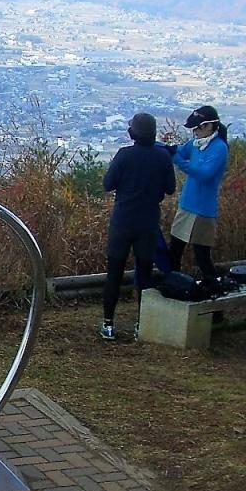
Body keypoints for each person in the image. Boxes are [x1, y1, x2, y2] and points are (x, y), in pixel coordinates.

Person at [100, 112, 176, 341]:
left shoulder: (125, 155)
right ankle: (141, 323)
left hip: (123, 221)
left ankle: (108, 323)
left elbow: (107, 184)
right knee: (144, 275)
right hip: (148, 222)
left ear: (133, 133)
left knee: (114, 273)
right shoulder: (162, 157)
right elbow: (170, 188)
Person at [166, 105, 229, 291]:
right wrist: (167, 149)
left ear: (209, 126)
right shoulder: (196, 144)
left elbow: (204, 174)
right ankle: (174, 287)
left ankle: (214, 292)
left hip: (203, 210)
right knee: (174, 251)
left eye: (198, 127)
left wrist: (178, 160)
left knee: (202, 255)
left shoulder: (219, 148)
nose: (194, 131)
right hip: (186, 205)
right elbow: (180, 150)